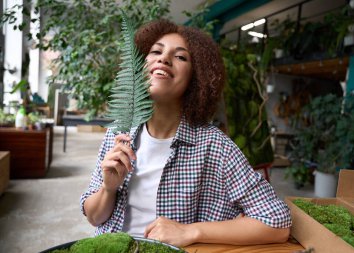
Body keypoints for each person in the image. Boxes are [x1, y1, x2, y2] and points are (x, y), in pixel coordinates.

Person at [80, 19, 291, 247]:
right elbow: (94, 218)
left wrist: (191, 232)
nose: (163, 58)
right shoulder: (118, 133)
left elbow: (276, 222)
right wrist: (108, 188)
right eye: (155, 52)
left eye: (180, 56)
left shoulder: (214, 146)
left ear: (196, 77)